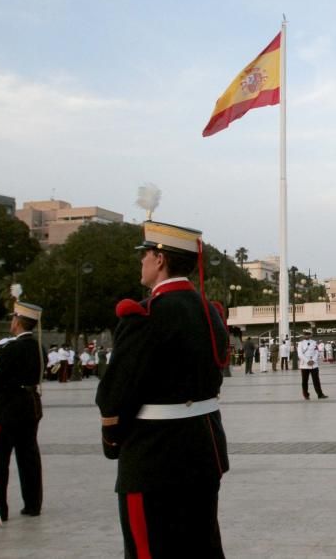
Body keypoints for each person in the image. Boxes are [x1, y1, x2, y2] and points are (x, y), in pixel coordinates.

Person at [95, 220, 229, 557]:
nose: (140, 262)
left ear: (159, 259)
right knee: (201, 547)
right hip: (203, 448)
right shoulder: (209, 312)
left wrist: (113, 442)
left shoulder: (147, 314)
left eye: (144, 255)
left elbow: (114, 395)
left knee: (149, 550)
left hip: (154, 456)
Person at [0, 301, 44, 522]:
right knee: (28, 456)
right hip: (30, 406)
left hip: (7, 408)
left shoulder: (10, 349)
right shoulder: (39, 348)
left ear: (18, 322)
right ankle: (33, 504)